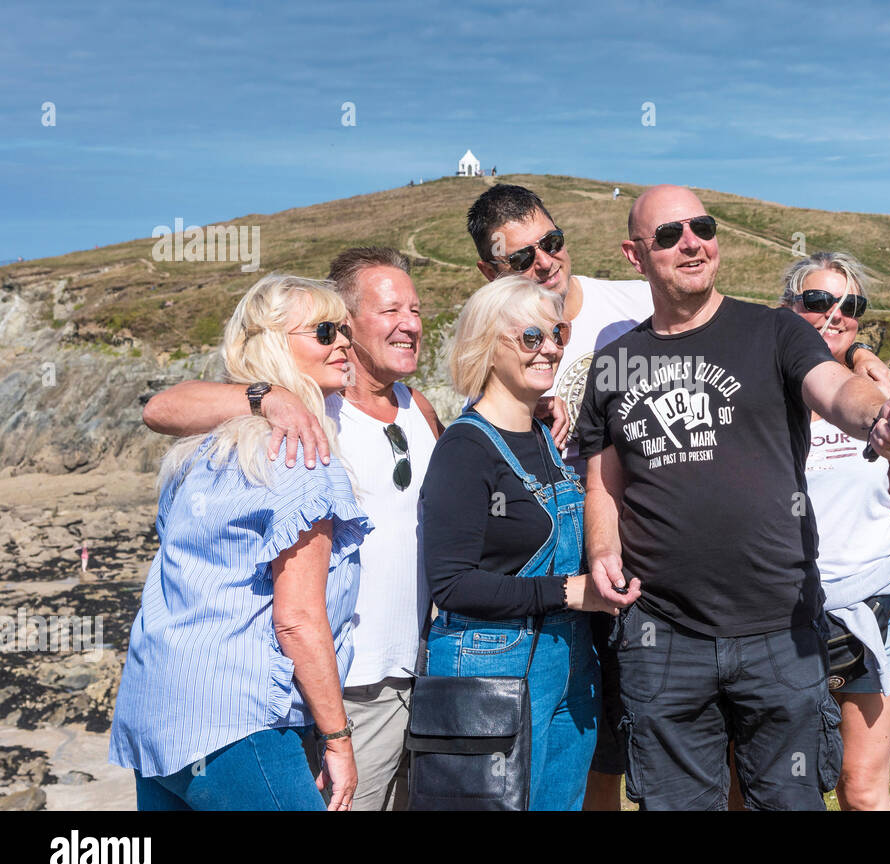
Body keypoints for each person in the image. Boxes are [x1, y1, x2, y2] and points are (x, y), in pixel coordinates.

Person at [577, 184, 890, 811]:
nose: (691, 243)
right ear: (635, 254)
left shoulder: (775, 333)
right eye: (668, 234)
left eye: (702, 228)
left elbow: (837, 391)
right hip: (662, 635)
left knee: (787, 801)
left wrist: (880, 417)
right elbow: (602, 478)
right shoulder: (614, 364)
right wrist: (602, 548)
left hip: (779, 630)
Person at [140, 247, 442, 810]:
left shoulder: (414, 409)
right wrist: (266, 395)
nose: (342, 344)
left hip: (175, 709)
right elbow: (161, 406)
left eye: (418, 309)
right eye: (328, 330)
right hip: (314, 695)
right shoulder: (302, 437)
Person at [110, 274, 372, 810]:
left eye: (346, 329)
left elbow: (163, 409)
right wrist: (339, 738)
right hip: (239, 721)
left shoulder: (201, 448)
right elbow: (297, 619)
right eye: (326, 331)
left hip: (157, 712)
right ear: (277, 344)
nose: (345, 342)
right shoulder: (300, 457)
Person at [467, 183, 654, 809]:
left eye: (552, 242)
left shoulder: (630, 301)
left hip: (643, 558)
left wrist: (862, 350)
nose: (545, 261)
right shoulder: (496, 341)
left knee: (676, 740)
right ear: (489, 272)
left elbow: (740, 326)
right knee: (582, 746)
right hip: (553, 580)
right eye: (521, 258)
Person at [419, 276, 626, 810]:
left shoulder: (544, 437)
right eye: (532, 338)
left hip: (570, 663)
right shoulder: (465, 449)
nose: (552, 348)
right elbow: (452, 583)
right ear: (489, 344)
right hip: (491, 666)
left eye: (556, 334)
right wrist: (567, 592)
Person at [781, 252, 890, 810]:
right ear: (789, 308)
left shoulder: (885, 398)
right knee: (772, 778)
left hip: (877, 604)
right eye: (817, 301)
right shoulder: (763, 393)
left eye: (849, 305)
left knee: (862, 786)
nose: (834, 314)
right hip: (780, 610)